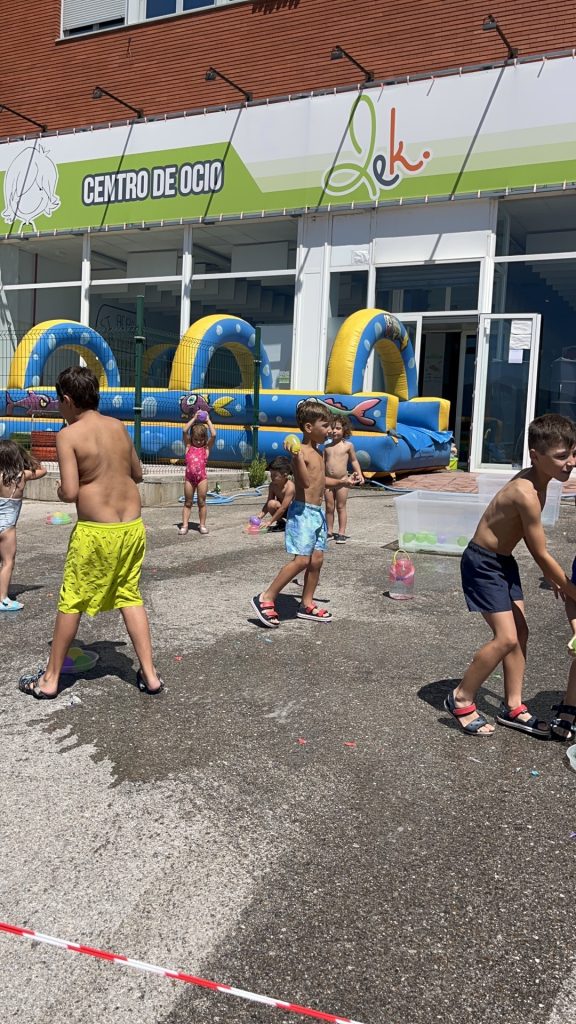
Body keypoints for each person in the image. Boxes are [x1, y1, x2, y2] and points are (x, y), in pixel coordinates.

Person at [18, 366, 163, 699]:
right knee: (129, 594)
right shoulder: (118, 426)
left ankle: (50, 679)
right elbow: (138, 474)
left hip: (96, 532)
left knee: (73, 599)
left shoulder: (68, 435)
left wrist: (60, 490)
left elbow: (70, 491)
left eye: (59, 401)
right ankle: (151, 675)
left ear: (68, 400)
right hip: (131, 527)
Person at [446, 413, 576, 738]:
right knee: (505, 638)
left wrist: (554, 577)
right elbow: (541, 552)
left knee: (521, 633)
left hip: (503, 562)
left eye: (573, 453)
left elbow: (532, 544)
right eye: (562, 456)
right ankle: (461, 697)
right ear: (536, 456)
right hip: (482, 563)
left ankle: (513, 706)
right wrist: (569, 587)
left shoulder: (540, 481)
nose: (571, 463)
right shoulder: (526, 493)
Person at [250, 400, 357, 627]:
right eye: (325, 425)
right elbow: (306, 482)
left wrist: (342, 481)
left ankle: (306, 603)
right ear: (309, 428)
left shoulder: (318, 452)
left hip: (316, 513)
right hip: (302, 513)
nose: (329, 430)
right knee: (301, 560)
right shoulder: (302, 453)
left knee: (316, 560)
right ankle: (266, 597)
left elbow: (320, 480)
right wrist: (297, 457)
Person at [0, 440, 46, 611]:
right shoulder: (22, 476)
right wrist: (26, 456)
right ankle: (2, 599)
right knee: (7, 562)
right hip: (7, 528)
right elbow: (43, 470)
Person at [324, 416, 364, 543]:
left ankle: (341, 532)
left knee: (341, 507)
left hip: (343, 481)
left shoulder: (348, 446)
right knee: (329, 507)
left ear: (344, 430)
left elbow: (354, 461)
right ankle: (329, 531)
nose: (334, 431)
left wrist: (359, 474)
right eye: (332, 428)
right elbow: (322, 463)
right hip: (328, 482)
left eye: (338, 428)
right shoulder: (326, 447)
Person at [179, 412, 216, 536]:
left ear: (205, 439)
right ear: (191, 438)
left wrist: (208, 421)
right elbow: (184, 431)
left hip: (202, 479)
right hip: (189, 478)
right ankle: (185, 525)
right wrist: (194, 418)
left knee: (202, 502)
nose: (199, 442)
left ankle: (202, 525)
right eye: (196, 439)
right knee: (188, 502)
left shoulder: (206, 449)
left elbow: (214, 434)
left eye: (201, 439)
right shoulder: (188, 446)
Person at [257, 456, 295, 531]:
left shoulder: (290, 488)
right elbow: (268, 503)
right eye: (271, 474)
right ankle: (281, 524)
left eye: (275, 475)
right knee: (271, 504)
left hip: (293, 513)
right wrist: (259, 516)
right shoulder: (272, 485)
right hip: (282, 511)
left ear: (285, 475)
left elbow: (283, 508)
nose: (272, 477)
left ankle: (292, 523)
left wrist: (269, 522)